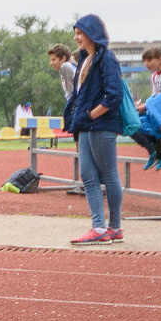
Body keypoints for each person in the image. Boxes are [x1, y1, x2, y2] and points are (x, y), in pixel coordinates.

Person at [65, 15, 124, 244]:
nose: (76, 38)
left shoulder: (107, 58)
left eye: (79, 33)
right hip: (85, 126)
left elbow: (114, 95)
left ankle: (115, 226)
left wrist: (91, 114)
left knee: (109, 175)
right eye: (75, 33)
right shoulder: (84, 59)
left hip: (101, 126)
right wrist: (78, 119)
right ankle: (99, 227)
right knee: (88, 176)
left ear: (92, 34)